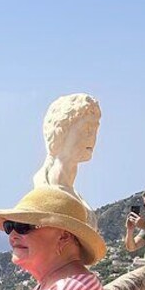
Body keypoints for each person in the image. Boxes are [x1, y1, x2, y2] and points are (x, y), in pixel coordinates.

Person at [0, 186, 116, 290]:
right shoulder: (58, 285)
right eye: (9, 226)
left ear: (64, 236)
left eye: (23, 226)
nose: (12, 235)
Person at [32, 93, 102, 228]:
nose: (92, 138)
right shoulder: (44, 189)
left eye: (95, 129)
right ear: (61, 130)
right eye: (87, 128)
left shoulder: (73, 193)